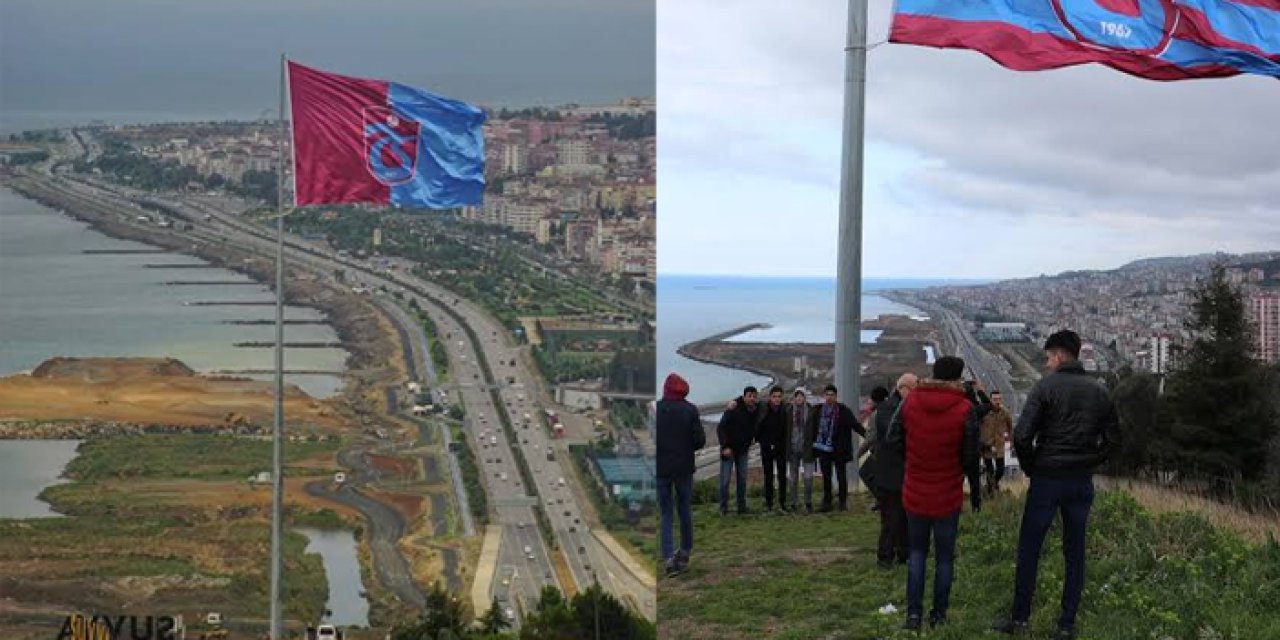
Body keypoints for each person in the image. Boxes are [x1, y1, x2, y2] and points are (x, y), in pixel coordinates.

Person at [994, 330, 1119, 640]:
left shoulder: (1045, 388)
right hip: (1080, 481)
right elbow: (1115, 439)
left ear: (1060, 355)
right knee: (1075, 551)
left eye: (1049, 357)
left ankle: (1020, 618)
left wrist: (1032, 466)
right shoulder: (1100, 392)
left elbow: (1022, 437)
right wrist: (1091, 461)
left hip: (1047, 479)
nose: (1047, 363)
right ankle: (1066, 624)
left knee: (1030, 548)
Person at [887, 356, 982, 630]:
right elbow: (970, 454)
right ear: (956, 378)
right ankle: (938, 616)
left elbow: (893, 438)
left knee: (917, 554)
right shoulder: (965, 408)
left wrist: (913, 460)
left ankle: (913, 615)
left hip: (916, 489)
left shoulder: (911, 401)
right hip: (948, 492)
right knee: (944, 557)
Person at [656, 373, 706, 577]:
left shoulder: (656, 410)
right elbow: (700, 441)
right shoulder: (690, 410)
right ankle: (684, 553)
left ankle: (668, 558)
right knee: (684, 510)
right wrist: (685, 447)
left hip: (661, 468)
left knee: (666, 513)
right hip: (684, 468)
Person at [869, 373, 917, 568]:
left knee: (904, 518)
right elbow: (894, 437)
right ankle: (885, 557)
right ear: (903, 388)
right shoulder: (888, 408)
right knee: (891, 518)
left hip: (900, 472)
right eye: (913, 390)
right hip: (891, 474)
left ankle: (903, 553)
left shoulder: (897, 406)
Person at [809, 384, 864, 512]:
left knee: (841, 476)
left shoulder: (843, 410)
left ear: (836, 396)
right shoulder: (818, 411)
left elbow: (855, 425)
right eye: (827, 395)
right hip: (823, 449)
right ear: (824, 396)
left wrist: (867, 435)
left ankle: (842, 502)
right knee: (826, 477)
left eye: (832, 395)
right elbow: (812, 429)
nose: (829, 397)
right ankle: (827, 503)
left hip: (839, 449)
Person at [717, 385, 760, 515]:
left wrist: (753, 438)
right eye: (749, 396)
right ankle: (723, 509)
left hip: (743, 451)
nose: (752, 399)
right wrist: (725, 446)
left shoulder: (755, 410)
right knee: (725, 481)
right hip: (728, 450)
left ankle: (741, 507)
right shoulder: (733, 408)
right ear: (744, 397)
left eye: (754, 396)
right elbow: (721, 428)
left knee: (742, 480)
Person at [755, 386, 788, 512]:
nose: (777, 399)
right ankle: (769, 503)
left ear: (782, 397)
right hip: (766, 446)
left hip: (781, 447)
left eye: (779, 396)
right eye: (774, 396)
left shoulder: (785, 409)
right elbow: (747, 401)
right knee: (768, 476)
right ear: (770, 397)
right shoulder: (763, 407)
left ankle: (782, 502)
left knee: (782, 476)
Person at [783, 389, 815, 513]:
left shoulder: (811, 411)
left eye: (801, 397)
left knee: (808, 477)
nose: (799, 399)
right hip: (793, 448)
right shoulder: (789, 411)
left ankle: (808, 502)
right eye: (797, 397)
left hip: (807, 449)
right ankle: (793, 503)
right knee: (793, 478)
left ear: (804, 398)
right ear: (794, 399)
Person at [980, 390, 1013, 496]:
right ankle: (991, 492)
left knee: (1001, 469)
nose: (997, 401)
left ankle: (993, 485)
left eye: (999, 399)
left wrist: (1010, 440)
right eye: (995, 399)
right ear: (990, 400)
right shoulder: (984, 413)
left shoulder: (1005, 413)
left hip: (999, 445)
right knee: (990, 470)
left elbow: (1010, 427)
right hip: (987, 445)